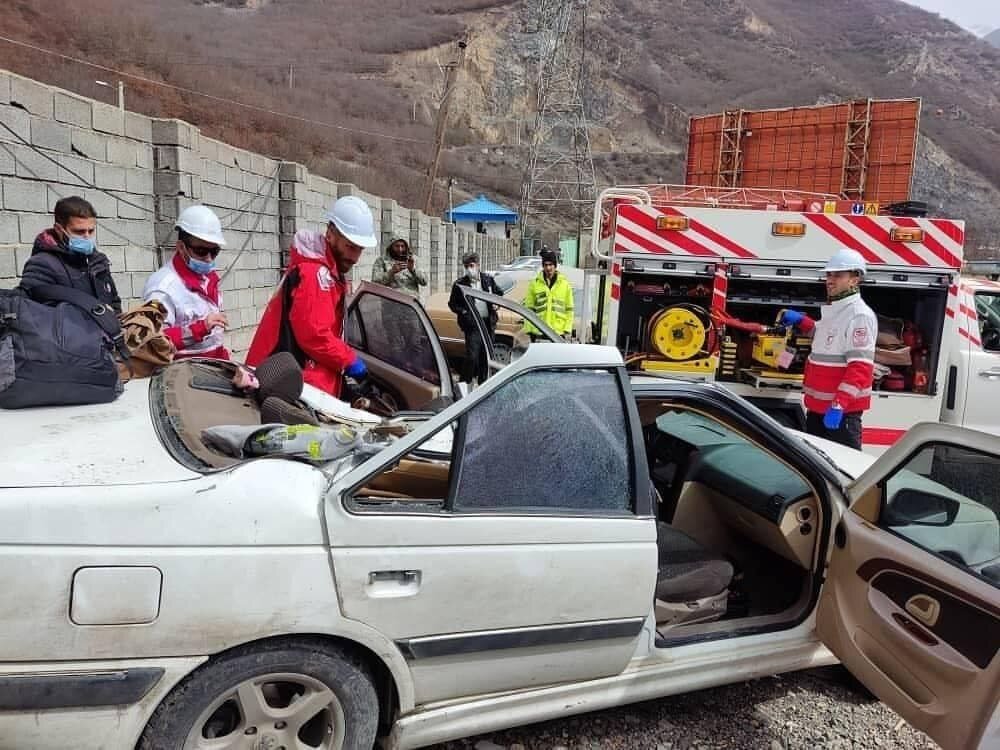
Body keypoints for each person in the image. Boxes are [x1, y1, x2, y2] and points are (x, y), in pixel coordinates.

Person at [246, 196, 376, 397]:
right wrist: (349, 361)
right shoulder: (315, 275)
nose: (355, 258)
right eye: (350, 247)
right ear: (330, 234)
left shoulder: (328, 273)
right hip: (289, 382)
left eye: (360, 249)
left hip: (295, 378)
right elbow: (314, 336)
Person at [780, 248, 877, 450]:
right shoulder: (836, 309)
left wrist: (839, 404)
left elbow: (860, 367)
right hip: (818, 409)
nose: (830, 280)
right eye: (829, 275)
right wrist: (802, 321)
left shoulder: (859, 315)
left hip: (841, 413)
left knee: (845, 466)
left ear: (855, 279)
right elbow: (825, 339)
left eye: (838, 275)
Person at [143, 205, 230, 361]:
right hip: (182, 369)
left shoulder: (207, 278)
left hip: (214, 362)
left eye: (214, 251)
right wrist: (199, 328)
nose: (209, 259)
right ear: (181, 247)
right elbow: (154, 341)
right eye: (201, 251)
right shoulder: (163, 287)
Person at [19, 195, 121, 313]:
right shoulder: (42, 265)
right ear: (59, 230)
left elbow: (114, 301)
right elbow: (35, 314)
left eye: (91, 231)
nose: (87, 237)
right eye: (79, 231)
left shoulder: (98, 261)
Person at [448, 251, 503, 384]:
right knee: (472, 357)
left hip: (487, 324)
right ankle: (464, 383)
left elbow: (499, 293)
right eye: (466, 266)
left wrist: (496, 304)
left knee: (486, 357)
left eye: (471, 265)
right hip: (473, 326)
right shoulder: (460, 284)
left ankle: (483, 384)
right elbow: (453, 304)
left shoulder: (487, 280)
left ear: (478, 265)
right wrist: (464, 312)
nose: (469, 269)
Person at [523, 248, 574, 340]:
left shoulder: (565, 285)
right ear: (543, 266)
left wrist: (567, 329)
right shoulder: (534, 284)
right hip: (539, 331)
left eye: (550, 264)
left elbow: (569, 309)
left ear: (555, 266)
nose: (548, 268)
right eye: (545, 265)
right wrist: (529, 330)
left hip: (558, 333)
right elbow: (529, 309)